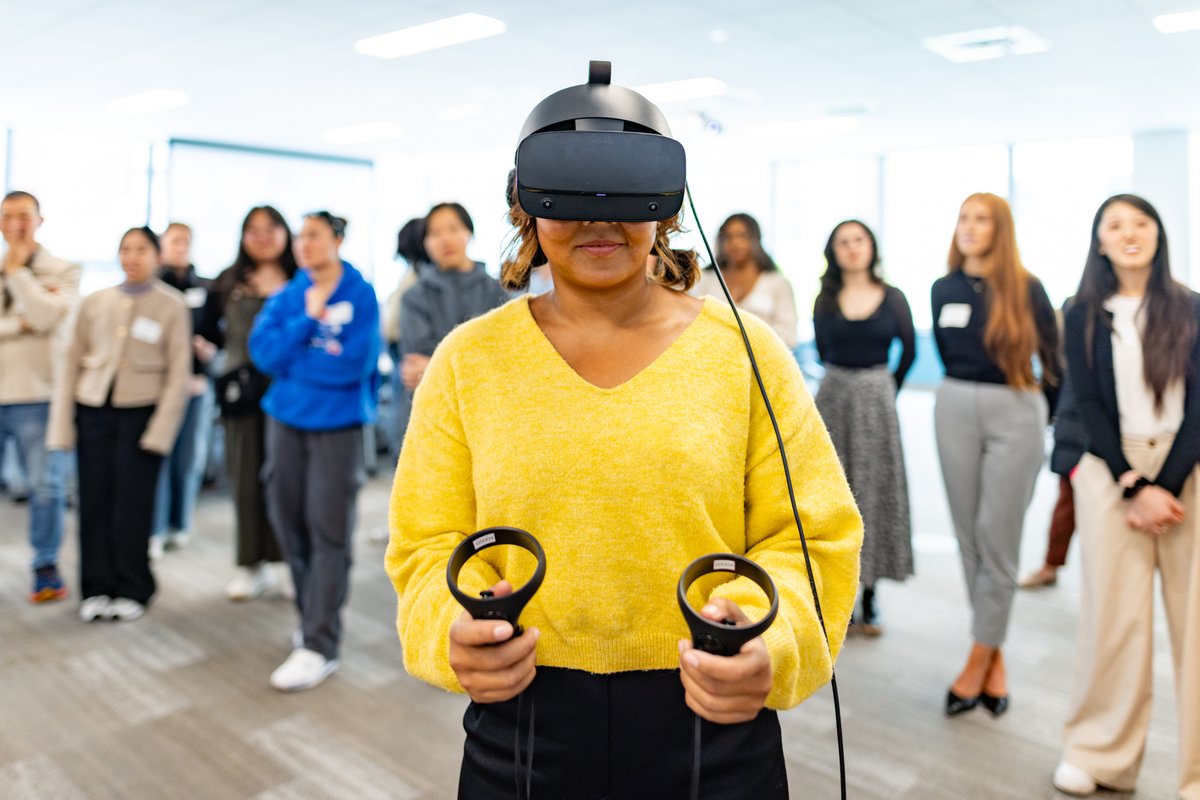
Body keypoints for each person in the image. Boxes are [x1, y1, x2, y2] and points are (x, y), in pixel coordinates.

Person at [386, 77, 862, 797]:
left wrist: (775, 639)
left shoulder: (747, 353)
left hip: (713, 712)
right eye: (569, 195)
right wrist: (449, 628)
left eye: (624, 192)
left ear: (667, 205)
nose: (597, 220)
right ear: (526, 203)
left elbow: (813, 537)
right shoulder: (468, 361)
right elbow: (425, 544)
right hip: (523, 722)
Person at [1053, 195, 1200, 800]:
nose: (1129, 233)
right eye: (1115, 225)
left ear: (1159, 235)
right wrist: (1132, 483)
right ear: (1100, 241)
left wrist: (1165, 484)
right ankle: (1098, 753)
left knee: (1195, 624)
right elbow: (1085, 403)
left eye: (1141, 222)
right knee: (1112, 619)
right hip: (1110, 472)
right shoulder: (1081, 312)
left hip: (1186, 468)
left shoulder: (1191, 308)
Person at [932, 192, 1060, 718]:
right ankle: (993, 653)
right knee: (969, 539)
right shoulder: (943, 287)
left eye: (981, 219)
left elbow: (1055, 363)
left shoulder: (1028, 289)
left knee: (996, 537)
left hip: (1016, 409)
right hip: (955, 405)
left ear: (1000, 230)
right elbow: (949, 352)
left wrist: (1040, 421)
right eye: (964, 217)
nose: (969, 227)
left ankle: (978, 656)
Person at [249, 211, 380, 691]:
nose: (305, 244)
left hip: (337, 426)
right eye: (301, 236)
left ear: (337, 240)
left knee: (329, 533)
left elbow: (353, 366)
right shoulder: (292, 293)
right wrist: (307, 318)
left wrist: (295, 363)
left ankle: (321, 643)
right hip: (286, 420)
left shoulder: (360, 294)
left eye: (315, 236)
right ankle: (310, 621)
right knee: (289, 523)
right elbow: (263, 353)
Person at [47, 227, 190, 622]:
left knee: (133, 504)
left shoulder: (172, 304)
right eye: (125, 249)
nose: (132, 256)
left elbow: (179, 373)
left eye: (141, 249)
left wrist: (161, 431)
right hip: (93, 409)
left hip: (141, 414)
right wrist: (61, 428)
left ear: (157, 256)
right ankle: (96, 586)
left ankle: (134, 587)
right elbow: (70, 362)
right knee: (93, 502)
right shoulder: (95, 301)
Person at [813, 220, 915, 636]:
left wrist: (886, 389)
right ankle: (837, 589)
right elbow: (822, 349)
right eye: (844, 242)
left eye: (859, 240)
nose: (853, 248)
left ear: (871, 247)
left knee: (874, 492)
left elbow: (908, 350)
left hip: (876, 398)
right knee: (833, 491)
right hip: (834, 396)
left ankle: (869, 590)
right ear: (833, 251)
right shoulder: (826, 297)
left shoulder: (893, 297)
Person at [198, 206, 296, 602]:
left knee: (287, 479)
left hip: (289, 392)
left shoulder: (300, 278)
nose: (261, 236)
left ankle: (286, 561)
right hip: (241, 394)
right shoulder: (228, 281)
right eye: (252, 230)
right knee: (244, 477)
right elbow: (203, 330)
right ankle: (250, 564)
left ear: (285, 233)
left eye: (270, 228)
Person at [0, 190, 80, 603]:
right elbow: (35, 318)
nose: (16, 224)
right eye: (8, 216)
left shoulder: (64, 270)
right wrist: (22, 324)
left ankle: (45, 567)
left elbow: (49, 316)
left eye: (24, 216)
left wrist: (17, 275)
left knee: (45, 488)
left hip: (39, 394)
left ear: (40, 220)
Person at [150, 221, 214, 557]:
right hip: (160, 385)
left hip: (196, 382)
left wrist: (207, 351)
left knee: (188, 458)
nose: (180, 246)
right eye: (174, 240)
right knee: (159, 455)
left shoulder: (204, 286)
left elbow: (219, 332)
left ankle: (181, 522)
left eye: (186, 241)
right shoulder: (152, 285)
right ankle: (155, 528)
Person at [398, 202, 507, 395]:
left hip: (490, 401)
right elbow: (417, 367)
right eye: (435, 233)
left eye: (454, 228)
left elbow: (506, 356)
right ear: (425, 243)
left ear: (469, 232)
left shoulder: (496, 291)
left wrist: (434, 367)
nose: (445, 239)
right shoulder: (414, 298)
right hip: (435, 405)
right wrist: (479, 364)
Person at [1021, 319, 1086, 589]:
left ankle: (1052, 565)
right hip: (1075, 440)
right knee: (1067, 505)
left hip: (1098, 442)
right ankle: (1050, 565)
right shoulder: (1062, 362)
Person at [695, 213, 798, 348]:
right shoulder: (706, 280)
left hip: (765, 361)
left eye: (743, 236)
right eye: (729, 237)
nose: (735, 243)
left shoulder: (777, 283)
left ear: (756, 239)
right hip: (713, 358)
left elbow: (790, 337)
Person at [382, 217, 427, 449]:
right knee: (401, 421)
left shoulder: (420, 280)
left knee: (406, 422)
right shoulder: (412, 275)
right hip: (400, 353)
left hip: (409, 352)